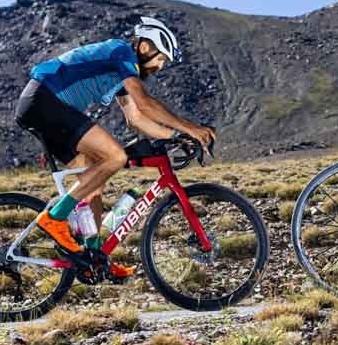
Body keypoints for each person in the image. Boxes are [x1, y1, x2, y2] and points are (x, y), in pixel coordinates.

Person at [15, 17, 215, 277]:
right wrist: (191, 128)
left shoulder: (121, 74)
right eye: (161, 59)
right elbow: (144, 103)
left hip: (47, 109)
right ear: (145, 47)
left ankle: (94, 260)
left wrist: (176, 136)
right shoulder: (122, 52)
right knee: (115, 156)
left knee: (93, 185)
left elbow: (136, 118)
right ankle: (55, 218)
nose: (160, 67)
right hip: (45, 100)